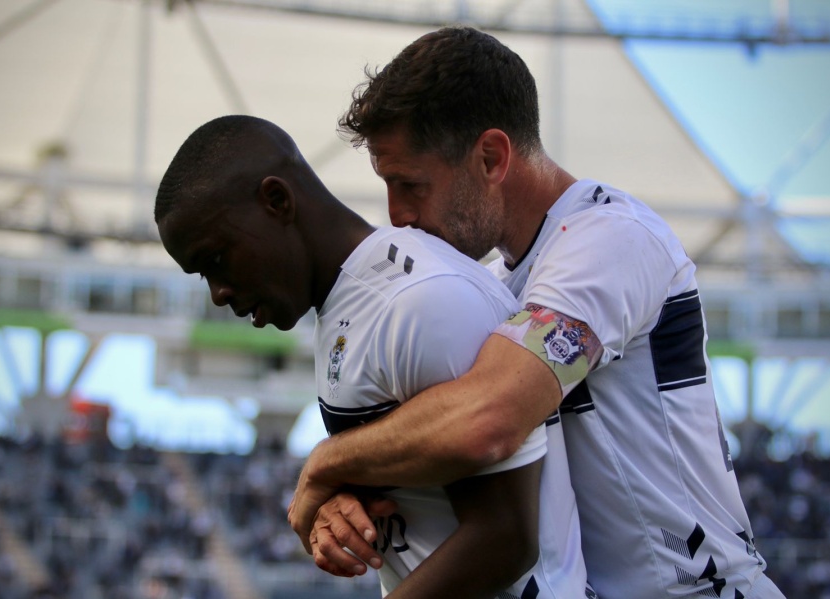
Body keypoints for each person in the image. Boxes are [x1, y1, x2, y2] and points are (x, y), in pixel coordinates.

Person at [287, 26, 786, 599]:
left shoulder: (610, 240)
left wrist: (329, 461)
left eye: (411, 185)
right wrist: (350, 495)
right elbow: (442, 442)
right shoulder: (495, 285)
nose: (397, 215)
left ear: (491, 157)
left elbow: (488, 422)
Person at [154, 115, 593, 598]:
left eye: (216, 259)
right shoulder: (348, 300)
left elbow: (506, 540)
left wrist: (332, 466)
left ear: (277, 201)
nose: (217, 293)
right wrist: (345, 493)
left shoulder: (422, 301)